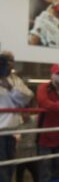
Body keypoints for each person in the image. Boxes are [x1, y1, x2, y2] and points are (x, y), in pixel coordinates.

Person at [0, 51, 34, 182]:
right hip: (0, 131)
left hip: (12, 131)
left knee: (10, 165)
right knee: (2, 167)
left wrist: (10, 88)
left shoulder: (15, 80)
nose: (10, 63)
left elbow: (27, 97)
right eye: (6, 60)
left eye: (11, 60)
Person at [15, 112, 39, 182]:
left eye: (26, 113)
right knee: (19, 175)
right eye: (23, 113)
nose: (25, 115)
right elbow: (16, 136)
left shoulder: (35, 122)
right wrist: (16, 136)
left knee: (36, 174)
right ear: (21, 114)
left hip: (31, 154)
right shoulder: (17, 123)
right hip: (21, 153)